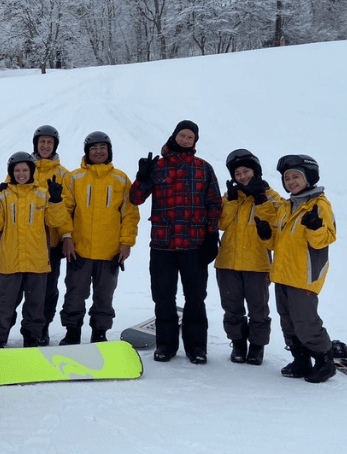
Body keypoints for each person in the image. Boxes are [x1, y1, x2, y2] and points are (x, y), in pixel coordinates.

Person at [129, 120, 221, 364]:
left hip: (195, 246)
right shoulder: (157, 167)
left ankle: (196, 347)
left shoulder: (204, 168)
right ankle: (166, 345)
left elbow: (214, 204)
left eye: (191, 137)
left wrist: (212, 236)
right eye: (183, 135)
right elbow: (136, 198)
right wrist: (141, 177)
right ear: (174, 136)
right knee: (163, 298)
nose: (186, 140)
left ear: (195, 142)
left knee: (195, 299)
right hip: (162, 246)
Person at [254, 155, 337, 382]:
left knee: (305, 322)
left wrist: (315, 227)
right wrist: (266, 236)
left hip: (304, 276)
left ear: (308, 177)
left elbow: (325, 240)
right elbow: (279, 242)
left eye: (295, 177)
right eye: (287, 178)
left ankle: (324, 360)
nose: (290, 181)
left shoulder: (319, 204)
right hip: (281, 274)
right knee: (288, 322)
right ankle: (301, 360)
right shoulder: (287, 206)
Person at [58, 131, 140, 345]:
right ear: (87, 152)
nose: (98, 151)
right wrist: (66, 237)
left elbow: (129, 214)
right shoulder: (75, 177)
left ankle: (100, 333)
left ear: (109, 151)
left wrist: (126, 243)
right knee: (75, 294)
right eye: (93, 148)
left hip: (110, 252)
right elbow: (65, 210)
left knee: (104, 297)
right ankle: (72, 332)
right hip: (79, 250)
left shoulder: (121, 179)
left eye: (103, 147)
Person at [0, 152, 69, 348]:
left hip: (37, 260)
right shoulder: (4, 194)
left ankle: (32, 338)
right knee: (5, 303)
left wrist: (56, 201)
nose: (21, 173)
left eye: (25, 169)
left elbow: (56, 221)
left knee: (35, 305)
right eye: (17, 170)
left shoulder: (42, 193)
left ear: (31, 171)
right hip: (10, 259)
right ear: (11, 172)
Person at [216, 149, 282, 365]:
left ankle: (257, 346)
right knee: (232, 306)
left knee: (258, 308)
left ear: (255, 171)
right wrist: (232, 201)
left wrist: (261, 199)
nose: (242, 176)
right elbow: (221, 224)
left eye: (246, 171)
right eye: (237, 173)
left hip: (257, 263)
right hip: (228, 262)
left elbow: (275, 226)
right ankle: (238, 343)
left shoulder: (271, 195)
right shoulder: (231, 196)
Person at [28, 125, 71, 344]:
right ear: (35, 144)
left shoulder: (64, 174)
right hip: (25, 241)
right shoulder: (23, 167)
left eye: (49, 142)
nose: (45, 146)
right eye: (41, 142)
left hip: (50, 244)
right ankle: (6, 325)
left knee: (48, 289)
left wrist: (66, 237)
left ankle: (42, 327)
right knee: (16, 289)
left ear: (55, 146)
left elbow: (68, 209)